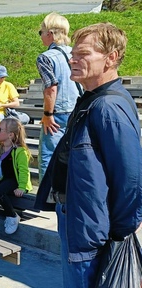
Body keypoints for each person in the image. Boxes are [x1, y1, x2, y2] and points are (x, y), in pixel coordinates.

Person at [35, 23, 142, 287]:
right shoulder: (92, 98)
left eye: (83, 54)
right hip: (79, 220)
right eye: (74, 53)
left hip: (90, 231)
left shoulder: (108, 106)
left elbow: (131, 180)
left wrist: (116, 234)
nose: (73, 59)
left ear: (111, 57)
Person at [36, 12, 81, 181]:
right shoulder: (75, 53)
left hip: (58, 113)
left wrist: (48, 114)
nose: (41, 36)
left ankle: (49, 196)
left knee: (48, 155)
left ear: (50, 34)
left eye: (41, 32)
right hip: (77, 110)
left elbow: (51, 88)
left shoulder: (45, 58)